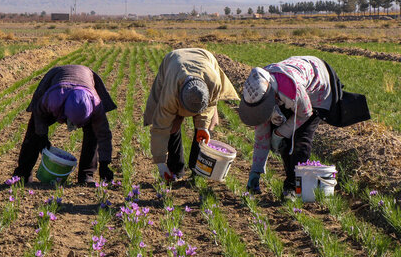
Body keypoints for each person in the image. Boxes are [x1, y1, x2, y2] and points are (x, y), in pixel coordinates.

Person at [239, 56, 338, 199]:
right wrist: (256, 170)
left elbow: (305, 114)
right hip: (288, 95)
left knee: (300, 139)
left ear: (270, 96)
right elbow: (262, 135)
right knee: (285, 140)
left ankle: (293, 187)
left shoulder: (291, 89)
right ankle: (291, 181)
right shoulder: (260, 93)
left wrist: (279, 133)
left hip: (317, 87)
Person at [144, 48, 239, 181]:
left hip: (205, 59)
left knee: (210, 122)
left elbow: (210, 106)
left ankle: (197, 169)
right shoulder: (170, 94)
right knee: (172, 126)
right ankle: (176, 169)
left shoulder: (213, 81)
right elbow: (160, 127)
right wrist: (160, 163)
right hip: (174, 62)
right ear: (180, 100)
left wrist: (202, 128)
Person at [12, 65, 116, 184]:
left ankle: (86, 175)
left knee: (93, 133)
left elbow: (104, 136)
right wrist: (42, 135)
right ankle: (22, 173)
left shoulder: (96, 106)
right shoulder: (53, 99)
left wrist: (105, 163)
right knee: (33, 130)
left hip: (85, 76)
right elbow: (38, 113)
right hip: (58, 78)